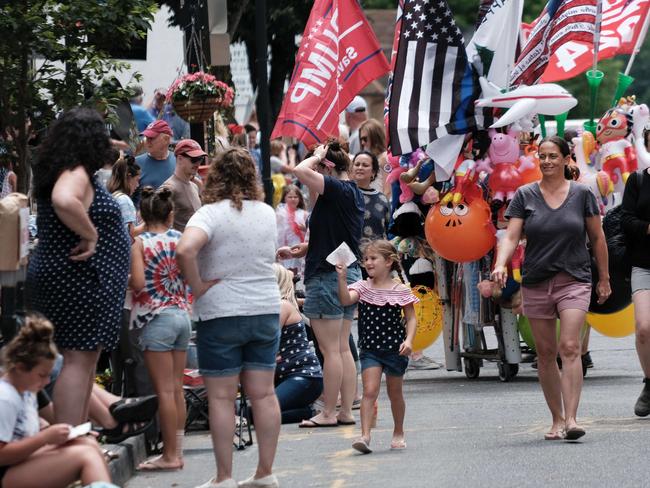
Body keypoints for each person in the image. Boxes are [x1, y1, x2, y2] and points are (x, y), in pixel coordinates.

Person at [492, 136, 611, 441]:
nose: (546, 162)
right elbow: (511, 235)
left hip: (574, 278)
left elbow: (597, 238)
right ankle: (556, 418)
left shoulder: (583, 194)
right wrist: (500, 264)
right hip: (536, 280)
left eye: (552, 156)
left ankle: (572, 418)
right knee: (545, 354)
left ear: (565, 159)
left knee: (569, 347)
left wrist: (604, 278)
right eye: (542, 156)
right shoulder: (524, 195)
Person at [177, 147, 281, 488]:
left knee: (222, 398)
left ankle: (224, 477)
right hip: (265, 309)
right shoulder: (267, 213)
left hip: (220, 313)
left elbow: (185, 249)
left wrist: (197, 285)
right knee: (264, 395)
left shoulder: (209, 214)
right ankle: (266, 472)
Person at [27, 107, 131, 425]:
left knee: (83, 361)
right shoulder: (76, 171)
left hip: (74, 278)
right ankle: (71, 441)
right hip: (79, 279)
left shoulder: (63, 167)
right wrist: (91, 234)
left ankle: (80, 436)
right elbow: (64, 199)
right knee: (78, 360)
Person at [292, 140, 364, 428]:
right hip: (345, 272)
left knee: (331, 350)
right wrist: (308, 246)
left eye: (320, 165)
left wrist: (316, 157)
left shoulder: (338, 189)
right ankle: (345, 410)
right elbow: (336, 234)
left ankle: (329, 412)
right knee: (342, 348)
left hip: (327, 276)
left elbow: (298, 169)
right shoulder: (351, 193)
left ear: (327, 168)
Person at [0, 315, 117, 488]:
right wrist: (45, 438)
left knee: (87, 443)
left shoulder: (26, 390)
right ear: (20, 368)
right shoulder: (5, 398)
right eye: (42, 375)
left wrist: (66, 435)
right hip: (6, 472)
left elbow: (26, 429)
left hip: (20, 462)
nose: (47, 382)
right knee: (85, 456)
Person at [129, 186, 192, 471]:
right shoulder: (179, 239)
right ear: (170, 215)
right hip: (181, 316)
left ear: (143, 214)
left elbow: (139, 284)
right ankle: (177, 449)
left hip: (155, 319)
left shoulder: (140, 244)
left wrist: (127, 277)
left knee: (164, 391)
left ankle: (169, 455)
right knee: (177, 389)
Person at [336, 240, 417, 453]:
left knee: (395, 393)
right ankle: (365, 435)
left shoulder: (400, 290)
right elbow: (345, 300)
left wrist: (408, 341)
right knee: (369, 391)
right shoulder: (362, 287)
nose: (368, 263)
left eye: (373, 259)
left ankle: (398, 431)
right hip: (370, 349)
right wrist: (342, 279)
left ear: (389, 261)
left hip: (395, 349)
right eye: (366, 259)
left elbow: (411, 318)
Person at [273, 264, 323, 424]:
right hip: (283, 376)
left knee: (259, 412)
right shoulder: (278, 305)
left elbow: (268, 340)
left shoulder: (282, 306)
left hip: (303, 376)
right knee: (243, 409)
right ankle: (304, 409)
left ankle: (309, 412)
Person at [620, 166, 650, 417]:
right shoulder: (638, 180)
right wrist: (648, 228)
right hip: (644, 265)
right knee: (644, 327)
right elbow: (626, 219)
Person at [161, 139, 204, 232]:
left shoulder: (195, 186)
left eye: (200, 159)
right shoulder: (168, 188)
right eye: (194, 159)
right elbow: (155, 222)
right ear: (180, 159)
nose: (198, 164)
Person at [351, 151, 390, 241]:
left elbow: (387, 230)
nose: (360, 167)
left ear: (373, 172)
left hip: (376, 252)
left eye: (365, 165)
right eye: (357, 164)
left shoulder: (382, 199)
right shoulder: (344, 192)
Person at [135, 120, 176, 202]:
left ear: (166, 139)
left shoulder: (179, 160)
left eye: (152, 137)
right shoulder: (135, 163)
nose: (147, 141)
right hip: (144, 213)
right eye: (147, 137)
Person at [106, 152, 142, 239]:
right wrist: (147, 225)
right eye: (137, 180)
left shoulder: (112, 195)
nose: (137, 185)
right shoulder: (124, 200)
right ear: (129, 177)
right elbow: (130, 233)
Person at [276, 185, 308, 277]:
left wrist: (304, 228)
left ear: (300, 199)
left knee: (294, 272)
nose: (293, 199)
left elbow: (310, 231)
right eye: (290, 197)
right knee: (284, 272)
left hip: (297, 246)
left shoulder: (303, 214)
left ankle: (293, 289)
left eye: (295, 197)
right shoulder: (280, 212)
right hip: (284, 245)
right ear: (284, 198)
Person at [358, 119, 389, 194]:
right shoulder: (371, 159)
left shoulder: (384, 158)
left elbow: (388, 191)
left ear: (374, 137)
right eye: (361, 139)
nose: (362, 143)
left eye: (365, 139)